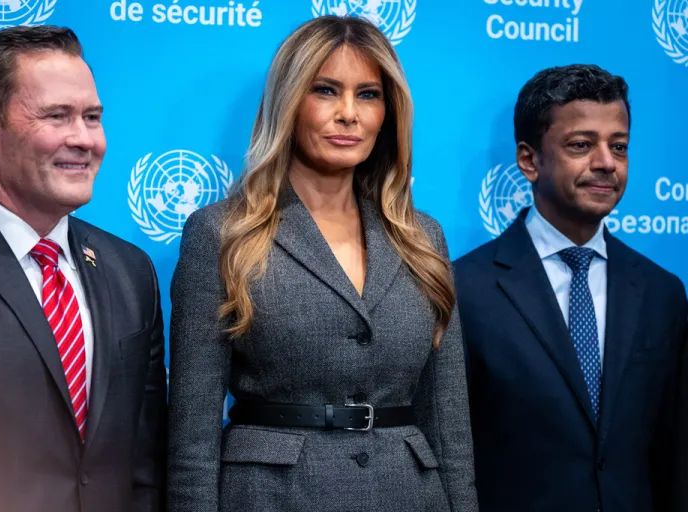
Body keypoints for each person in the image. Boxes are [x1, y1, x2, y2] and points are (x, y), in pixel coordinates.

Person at [167, 15, 477, 512]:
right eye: (326, 90)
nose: (349, 114)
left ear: (389, 113)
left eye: (368, 95)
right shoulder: (221, 233)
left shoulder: (423, 238)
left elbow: (448, 423)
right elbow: (192, 438)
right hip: (271, 498)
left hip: (408, 496)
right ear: (288, 102)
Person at [0, 26, 167, 512]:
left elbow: (145, 463)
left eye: (92, 117)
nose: (84, 139)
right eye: (57, 116)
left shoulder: (130, 271)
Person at [454, 64, 687, 512]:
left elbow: (674, 455)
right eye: (581, 145)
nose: (606, 163)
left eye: (618, 146)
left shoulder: (662, 292)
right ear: (529, 160)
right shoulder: (464, 289)